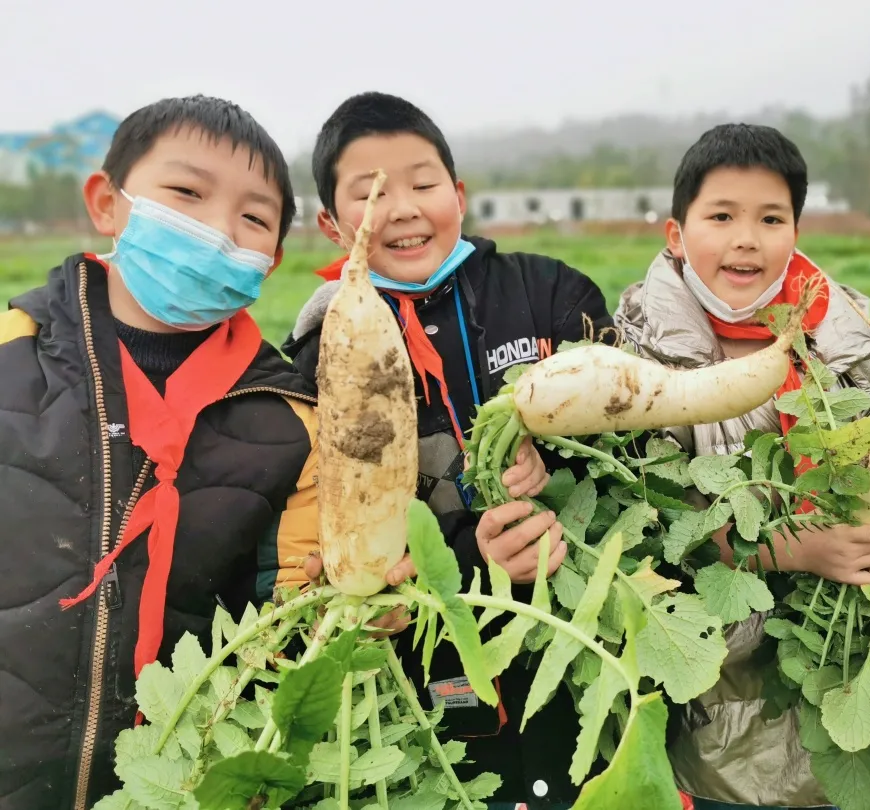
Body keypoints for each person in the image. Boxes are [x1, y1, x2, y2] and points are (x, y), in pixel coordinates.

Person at [281, 91, 614, 809]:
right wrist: (471, 560)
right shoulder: (314, 360)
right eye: (370, 193)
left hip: (570, 649)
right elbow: (339, 535)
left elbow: (629, 445)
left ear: (457, 194)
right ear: (332, 225)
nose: (400, 208)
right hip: (425, 681)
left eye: (423, 183)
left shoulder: (551, 292)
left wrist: (553, 466)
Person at [0, 96, 323, 810]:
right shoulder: (9, 359)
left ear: (269, 262)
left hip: (180, 783)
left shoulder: (291, 421)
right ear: (107, 203)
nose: (217, 231)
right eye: (186, 194)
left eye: (253, 219)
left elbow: (291, 624)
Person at [613, 123, 870, 810]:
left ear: (795, 231)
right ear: (676, 236)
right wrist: (794, 549)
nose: (746, 238)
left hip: (836, 691)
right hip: (708, 713)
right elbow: (647, 532)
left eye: (770, 218)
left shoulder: (850, 341)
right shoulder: (634, 358)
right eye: (721, 216)